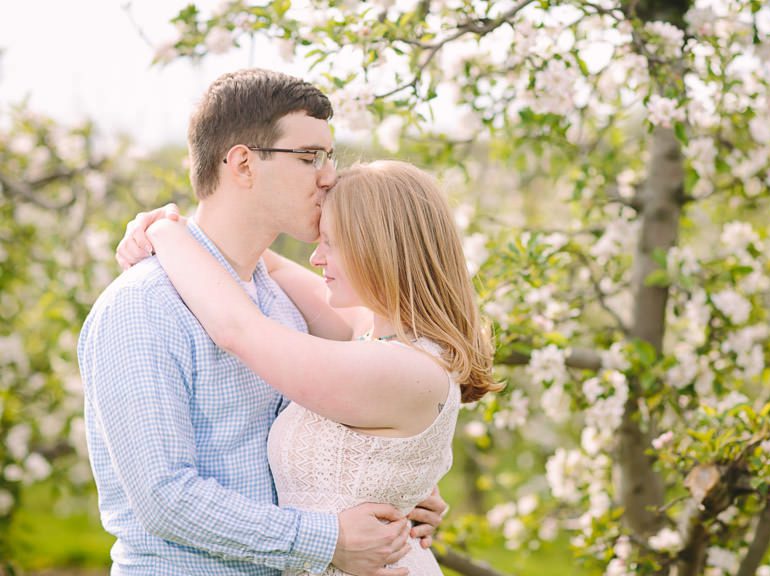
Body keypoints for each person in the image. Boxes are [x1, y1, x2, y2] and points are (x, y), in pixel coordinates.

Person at [78, 68, 447, 576]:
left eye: (329, 157)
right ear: (244, 164)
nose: (328, 176)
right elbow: (165, 498)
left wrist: (399, 484)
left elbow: (353, 415)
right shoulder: (144, 305)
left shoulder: (283, 303)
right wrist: (329, 539)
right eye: (309, 157)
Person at [123, 159, 498, 575]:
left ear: (377, 249)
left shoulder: (402, 368)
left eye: (331, 243)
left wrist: (163, 232)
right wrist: (180, 228)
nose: (316, 258)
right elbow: (266, 263)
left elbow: (238, 330)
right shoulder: (374, 333)